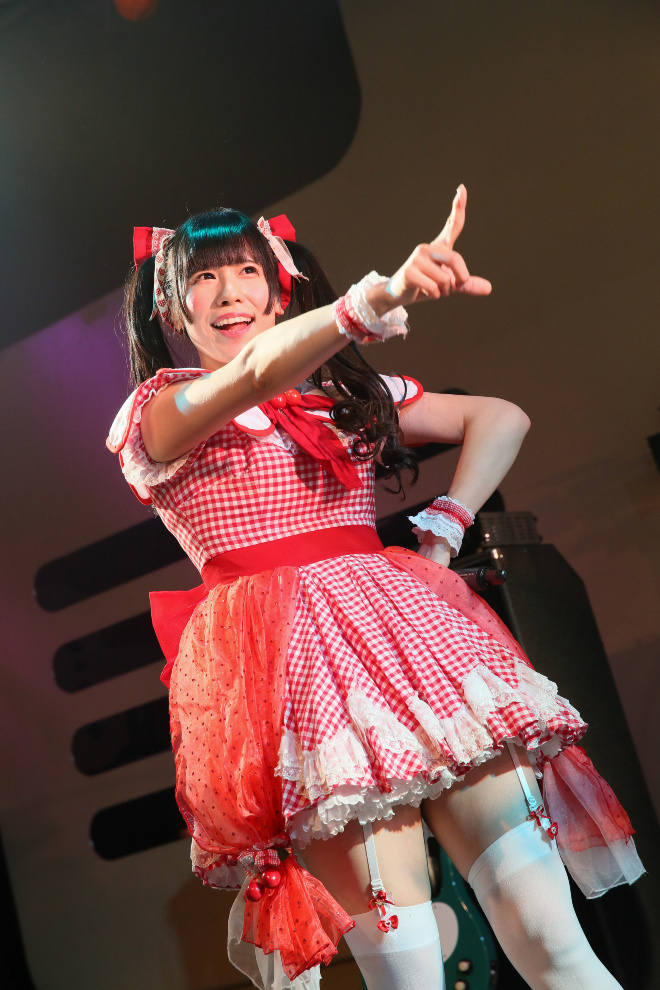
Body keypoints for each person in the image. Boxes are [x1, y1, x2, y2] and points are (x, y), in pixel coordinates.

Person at [107, 188, 643, 990]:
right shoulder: (160, 413)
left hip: (416, 653)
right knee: (410, 973)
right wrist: (374, 299)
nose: (228, 294)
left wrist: (445, 528)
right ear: (170, 309)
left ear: (280, 288)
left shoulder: (341, 398)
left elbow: (501, 417)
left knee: (553, 942)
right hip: (305, 685)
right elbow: (252, 373)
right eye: (204, 279)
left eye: (246, 271)